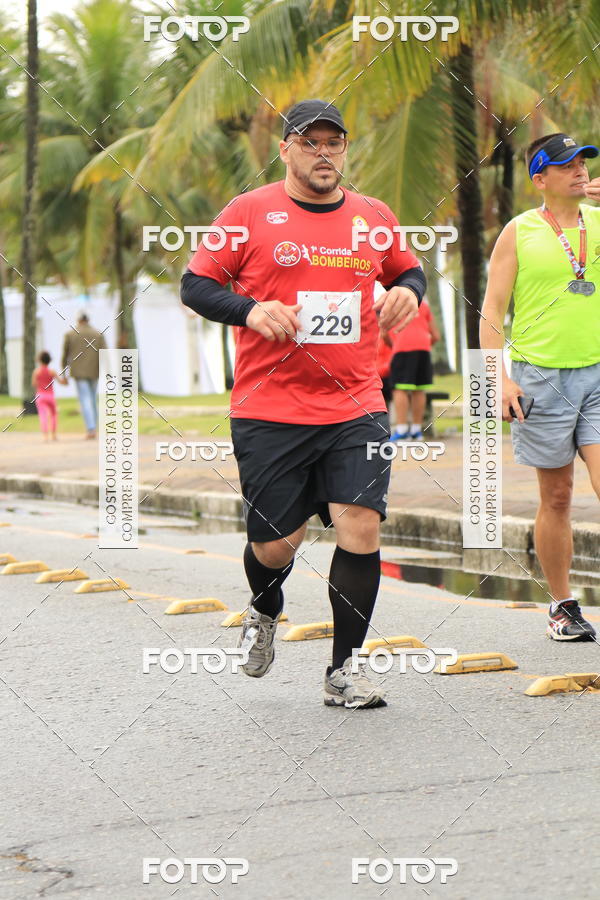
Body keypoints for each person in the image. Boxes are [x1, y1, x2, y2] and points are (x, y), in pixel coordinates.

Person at [181, 99, 426, 708]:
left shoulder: (373, 215)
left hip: (356, 404)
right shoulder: (248, 212)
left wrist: (407, 292)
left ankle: (343, 670)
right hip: (270, 408)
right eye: (309, 142)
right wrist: (250, 310)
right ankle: (265, 606)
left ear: (345, 149)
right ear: (285, 149)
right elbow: (196, 285)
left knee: (360, 525)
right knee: (276, 545)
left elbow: (409, 270)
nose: (323, 153)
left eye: (333, 142)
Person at [480, 132, 600, 641]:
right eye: (566, 164)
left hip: (597, 372)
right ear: (539, 179)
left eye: (583, 162)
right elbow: (491, 310)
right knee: (557, 496)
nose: (579, 170)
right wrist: (498, 380)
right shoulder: (519, 231)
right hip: (540, 376)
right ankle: (562, 605)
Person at [386, 297, 440, 441]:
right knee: (419, 389)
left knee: (399, 389)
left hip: (402, 349)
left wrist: (394, 347)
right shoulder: (423, 305)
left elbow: (383, 332)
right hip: (423, 349)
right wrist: (423, 346)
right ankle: (416, 430)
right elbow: (435, 335)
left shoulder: (392, 304)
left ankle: (402, 430)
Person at [61, 312, 106, 439]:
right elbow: (105, 354)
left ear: (79, 320)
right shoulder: (98, 334)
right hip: (95, 371)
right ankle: (94, 427)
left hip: (78, 372)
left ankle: (91, 428)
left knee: (85, 399)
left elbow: (65, 356)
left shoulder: (70, 334)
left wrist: (64, 374)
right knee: (92, 398)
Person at [31, 351, 67, 441]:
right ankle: (54, 435)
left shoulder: (36, 372)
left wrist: (40, 384)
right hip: (50, 396)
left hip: (40, 396)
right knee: (54, 414)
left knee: (43, 415)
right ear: (49, 360)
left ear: (39, 360)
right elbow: (61, 382)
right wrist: (65, 380)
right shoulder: (52, 371)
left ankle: (45, 436)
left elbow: (34, 384)